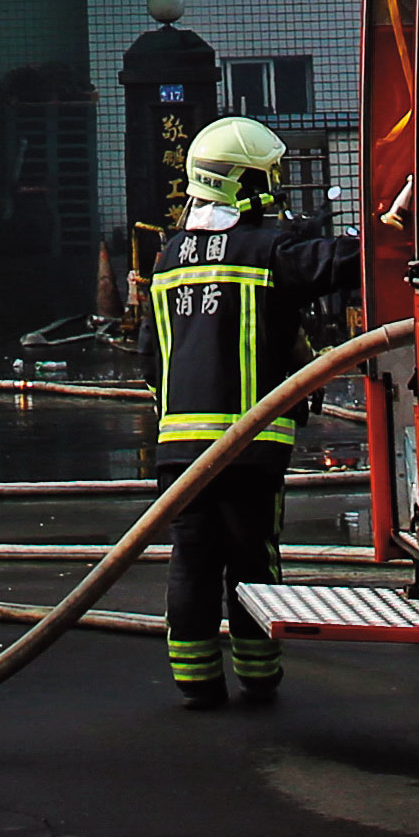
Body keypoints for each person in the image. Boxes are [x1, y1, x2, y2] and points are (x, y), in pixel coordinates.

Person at [141, 112, 352, 711]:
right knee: (252, 558)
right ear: (243, 183)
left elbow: (150, 357)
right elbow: (336, 263)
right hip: (250, 445)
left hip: (180, 447)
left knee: (192, 557)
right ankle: (260, 676)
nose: (277, 188)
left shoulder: (167, 259)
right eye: (269, 177)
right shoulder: (270, 248)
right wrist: (395, 228)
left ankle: (195, 681)